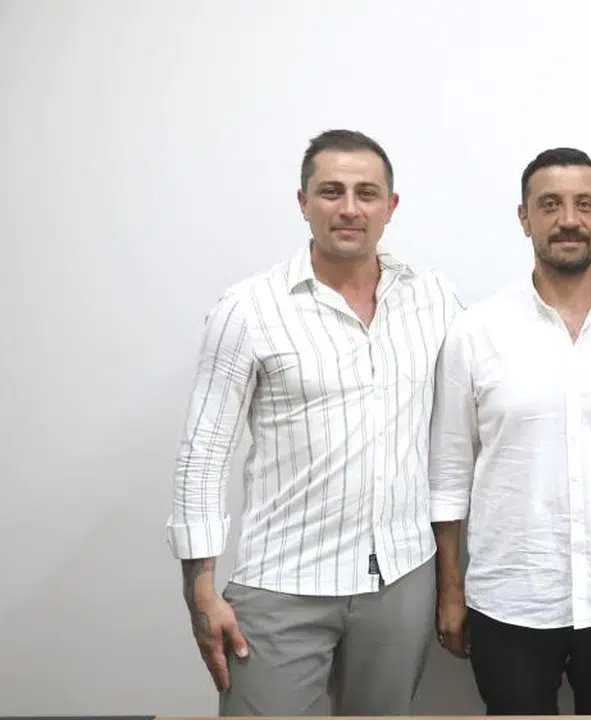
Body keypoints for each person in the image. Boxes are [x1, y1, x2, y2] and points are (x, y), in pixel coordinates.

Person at [165, 129, 464, 716]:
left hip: (400, 578)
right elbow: (203, 453)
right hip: (284, 583)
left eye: (366, 193)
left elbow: (467, 418)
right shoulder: (249, 309)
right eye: (331, 192)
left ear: (390, 206)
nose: (349, 208)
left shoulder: (434, 299)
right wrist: (200, 589)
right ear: (303, 202)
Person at [428, 147, 591, 716]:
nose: (569, 219)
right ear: (524, 218)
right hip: (511, 598)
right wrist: (450, 588)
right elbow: (448, 475)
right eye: (550, 205)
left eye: (584, 204)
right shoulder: (476, 331)